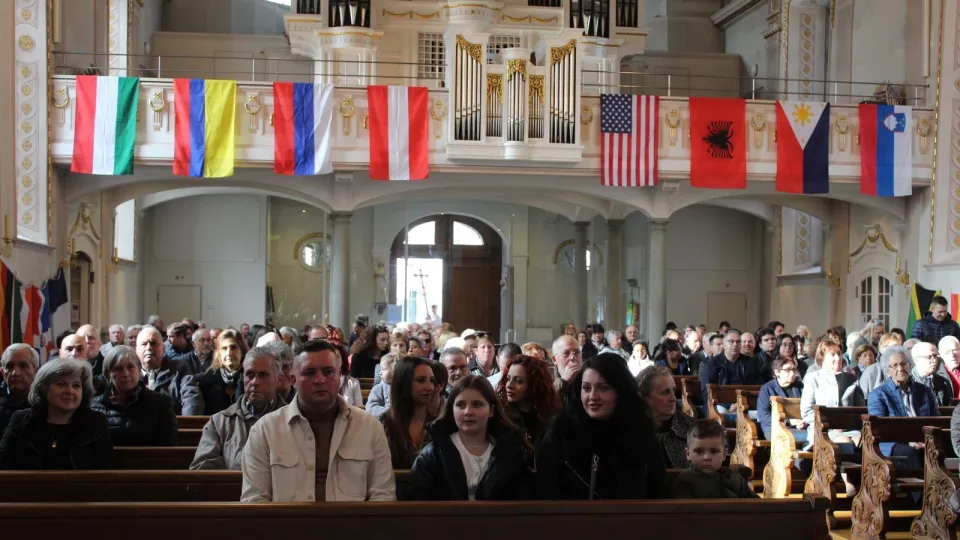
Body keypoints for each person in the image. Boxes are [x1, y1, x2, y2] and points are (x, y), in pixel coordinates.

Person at [241, 339, 394, 502]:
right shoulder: (265, 430)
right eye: (309, 373)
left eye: (328, 372)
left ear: (340, 376)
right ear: (293, 380)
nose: (320, 380)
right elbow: (255, 500)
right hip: (285, 520)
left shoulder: (370, 427)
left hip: (354, 520)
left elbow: (382, 495)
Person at [535, 353, 666, 500]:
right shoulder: (561, 431)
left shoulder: (641, 431)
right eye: (586, 388)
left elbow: (656, 488)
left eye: (603, 388)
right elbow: (547, 489)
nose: (592, 396)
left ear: (621, 391)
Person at [407, 375, 532, 501]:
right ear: (452, 410)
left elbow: (522, 502)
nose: (468, 412)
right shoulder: (433, 454)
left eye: (477, 404)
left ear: (491, 411)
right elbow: (419, 503)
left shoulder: (510, 454)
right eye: (460, 405)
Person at [0, 358, 112, 470]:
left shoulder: (96, 423)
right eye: (61, 384)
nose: (69, 391)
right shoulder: (21, 420)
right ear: (44, 388)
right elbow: (3, 465)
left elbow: (104, 473)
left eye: (76, 385)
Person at [191, 346, 286, 470]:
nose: (255, 382)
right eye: (250, 375)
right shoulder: (219, 422)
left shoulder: (293, 420)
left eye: (263, 375)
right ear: (243, 378)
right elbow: (200, 470)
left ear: (278, 380)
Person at [90, 346, 178, 446]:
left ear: (139, 370)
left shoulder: (160, 403)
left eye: (130, 367)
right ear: (108, 374)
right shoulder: (95, 407)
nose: (126, 374)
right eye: (118, 368)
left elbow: (168, 446)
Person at [867, 348, 936, 472]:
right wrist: (908, 441)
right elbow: (880, 428)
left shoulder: (924, 391)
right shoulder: (878, 395)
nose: (900, 368)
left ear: (909, 366)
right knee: (909, 452)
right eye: (895, 365)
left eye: (904, 364)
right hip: (892, 442)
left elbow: (936, 419)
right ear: (887, 370)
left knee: (938, 449)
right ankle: (919, 485)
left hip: (923, 438)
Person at [671, 419, 758, 499]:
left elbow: (757, 505)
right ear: (688, 454)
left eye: (714, 451)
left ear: (724, 454)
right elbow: (683, 509)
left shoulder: (734, 478)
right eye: (699, 451)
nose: (707, 457)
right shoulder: (684, 481)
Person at [381, 357, 437, 469]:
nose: (429, 387)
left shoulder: (438, 424)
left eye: (431, 380)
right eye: (420, 380)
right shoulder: (385, 425)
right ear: (403, 383)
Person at [136, 327, 204, 416]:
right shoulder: (128, 372)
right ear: (136, 350)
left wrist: (185, 422)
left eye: (153, 343)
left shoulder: (178, 369)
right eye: (144, 344)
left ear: (163, 349)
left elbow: (192, 398)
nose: (149, 347)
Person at [496, 355, 561, 447]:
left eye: (518, 381)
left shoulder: (549, 414)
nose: (509, 385)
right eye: (508, 378)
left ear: (534, 384)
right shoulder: (501, 414)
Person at [637, 366, 694, 469]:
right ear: (644, 397)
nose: (673, 398)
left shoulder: (691, 427)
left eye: (673, 391)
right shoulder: (628, 431)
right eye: (665, 392)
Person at [198, 329, 247, 415]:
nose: (229, 353)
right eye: (224, 348)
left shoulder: (250, 380)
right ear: (219, 354)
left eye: (234, 347)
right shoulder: (207, 382)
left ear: (242, 351)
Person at [757, 357, 804, 441]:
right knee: (788, 440)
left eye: (794, 369)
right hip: (773, 428)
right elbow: (763, 415)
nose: (792, 373)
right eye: (788, 370)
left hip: (799, 427)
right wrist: (788, 421)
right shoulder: (767, 389)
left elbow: (808, 407)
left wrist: (804, 422)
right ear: (777, 372)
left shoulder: (801, 387)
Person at [911, 342, 953, 406]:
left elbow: (948, 407)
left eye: (935, 356)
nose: (934, 360)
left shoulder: (943, 382)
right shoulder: (908, 383)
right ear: (916, 359)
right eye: (929, 357)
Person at [366, 353, 399, 419]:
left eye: (383, 369)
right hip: (383, 421)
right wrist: (388, 412)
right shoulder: (378, 388)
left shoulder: (405, 387)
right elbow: (371, 407)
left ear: (394, 370)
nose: (380, 373)